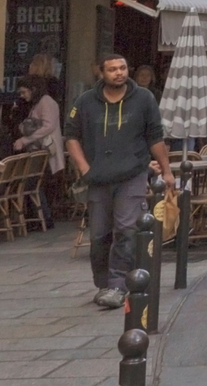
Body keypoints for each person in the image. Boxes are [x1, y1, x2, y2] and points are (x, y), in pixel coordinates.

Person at [64, 53, 170, 310]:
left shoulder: (144, 98)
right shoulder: (86, 101)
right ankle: (103, 282)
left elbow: (155, 137)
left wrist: (167, 171)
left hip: (132, 174)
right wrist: (84, 168)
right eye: (112, 69)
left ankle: (118, 284)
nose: (119, 73)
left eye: (122, 68)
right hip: (98, 177)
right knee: (99, 234)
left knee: (126, 228)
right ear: (101, 72)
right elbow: (71, 135)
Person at [13, 74, 64, 226]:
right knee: (35, 184)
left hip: (44, 150)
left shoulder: (46, 102)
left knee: (35, 183)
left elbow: (48, 126)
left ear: (33, 89)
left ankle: (44, 217)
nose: (22, 96)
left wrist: (24, 139)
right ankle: (41, 217)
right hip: (40, 150)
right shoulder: (39, 103)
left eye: (24, 92)